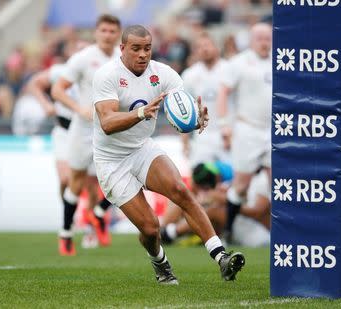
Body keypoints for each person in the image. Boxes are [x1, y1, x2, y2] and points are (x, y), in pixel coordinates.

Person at [92, 24, 245, 284]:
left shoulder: (164, 74)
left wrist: (195, 121)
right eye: (136, 49)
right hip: (111, 159)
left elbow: (181, 112)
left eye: (147, 48)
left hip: (142, 147)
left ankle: (221, 257)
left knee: (181, 190)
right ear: (122, 49)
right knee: (151, 229)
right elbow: (107, 123)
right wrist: (141, 112)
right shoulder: (107, 75)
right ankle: (160, 263)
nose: (143, 54)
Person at [51, 14, 121, 255]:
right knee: (77, 182)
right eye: (104, 30)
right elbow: (57, 90)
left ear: (118, 34)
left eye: (112, 31)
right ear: (96, 32)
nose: (108, 35)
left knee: (125, 175)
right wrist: (79, 108)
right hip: (83, 129)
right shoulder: (83, 58)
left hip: (111, 128)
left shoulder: (124, 60)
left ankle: (99, 214)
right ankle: (66, 233)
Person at [216, 22, 272, 243]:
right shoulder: (239, 63)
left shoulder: (280, 61)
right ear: (251, 40)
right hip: (248, 129)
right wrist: (224, 124)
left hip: (274, 130)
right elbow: (223, 91)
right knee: (241, 185)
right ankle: (228, 230)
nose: (265, 42)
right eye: (260, 38)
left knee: (277, 184)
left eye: (268, 38)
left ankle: (284, 235)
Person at [161, 162, 270, 247]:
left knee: (213, 210)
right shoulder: (248, 178)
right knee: (185, 199)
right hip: (244, 227)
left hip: (258, 234)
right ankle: (165, 230)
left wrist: (226, 200)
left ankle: (171, 233)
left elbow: (257, 212)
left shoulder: (262, 180)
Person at [181, 32, 231, 167]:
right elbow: (185, 110)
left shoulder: (230, 69)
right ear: (195, 51)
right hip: (202, 135)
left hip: (227, 134)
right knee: (201, 179)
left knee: (231, 180)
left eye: (207, 45)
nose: (204, 49)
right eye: (199, 47)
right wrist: (185, 142)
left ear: (216, 47)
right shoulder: (189, 75)